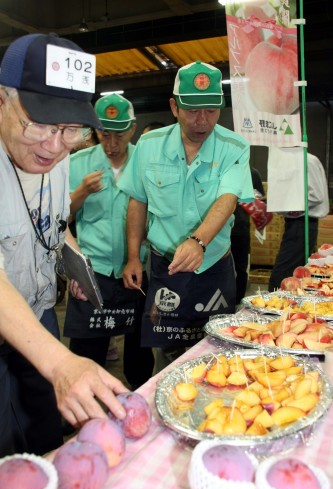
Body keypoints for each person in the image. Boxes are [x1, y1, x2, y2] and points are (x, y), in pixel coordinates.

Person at [0, 33, 127, 458]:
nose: (53, 146)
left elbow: (52, 225)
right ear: (2, 99)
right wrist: (60, 364)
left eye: (70, 130)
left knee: (46, 444)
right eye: (38, 123)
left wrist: (73, 262)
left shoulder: (57, 154)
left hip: (38, 319)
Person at [118, 61, 254, 372]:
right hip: (167, 265)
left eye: (211, 110)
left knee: (217, 346)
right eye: (193, 110)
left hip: (214, 263)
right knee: (168, 349)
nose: (202, 120)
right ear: (174, 107)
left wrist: (198, 241)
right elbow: (137, 202)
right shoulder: (150, 146)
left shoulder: (234, 147)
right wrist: (132, 257)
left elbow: (227, 199)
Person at [63, 93, 154, 389]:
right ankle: (84, 410)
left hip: (137, 271)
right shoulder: (77, 164)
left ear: (132, 129)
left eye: (119, 134)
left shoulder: (148, 162)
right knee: (88, 351)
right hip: (94, 272)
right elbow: (59, 218)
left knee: (139, 350)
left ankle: (140, 398)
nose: (112, 144)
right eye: (104, 134)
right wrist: (80, 193)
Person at [268, 151, 330, 291]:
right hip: (295, 222)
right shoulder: (290, 162)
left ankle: (272, 306)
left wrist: (291, 207)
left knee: (283, 270)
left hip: (303, 222)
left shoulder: (307, 161)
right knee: (294, 270)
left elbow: (315, 195)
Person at [231, 167, 265, 305]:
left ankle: (238, 302)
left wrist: (250, 199)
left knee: (240, 268)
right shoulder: (218, 167)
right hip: (216, 229)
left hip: (240, 227)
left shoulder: (252, 173)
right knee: (216, 266)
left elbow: (261, 199)